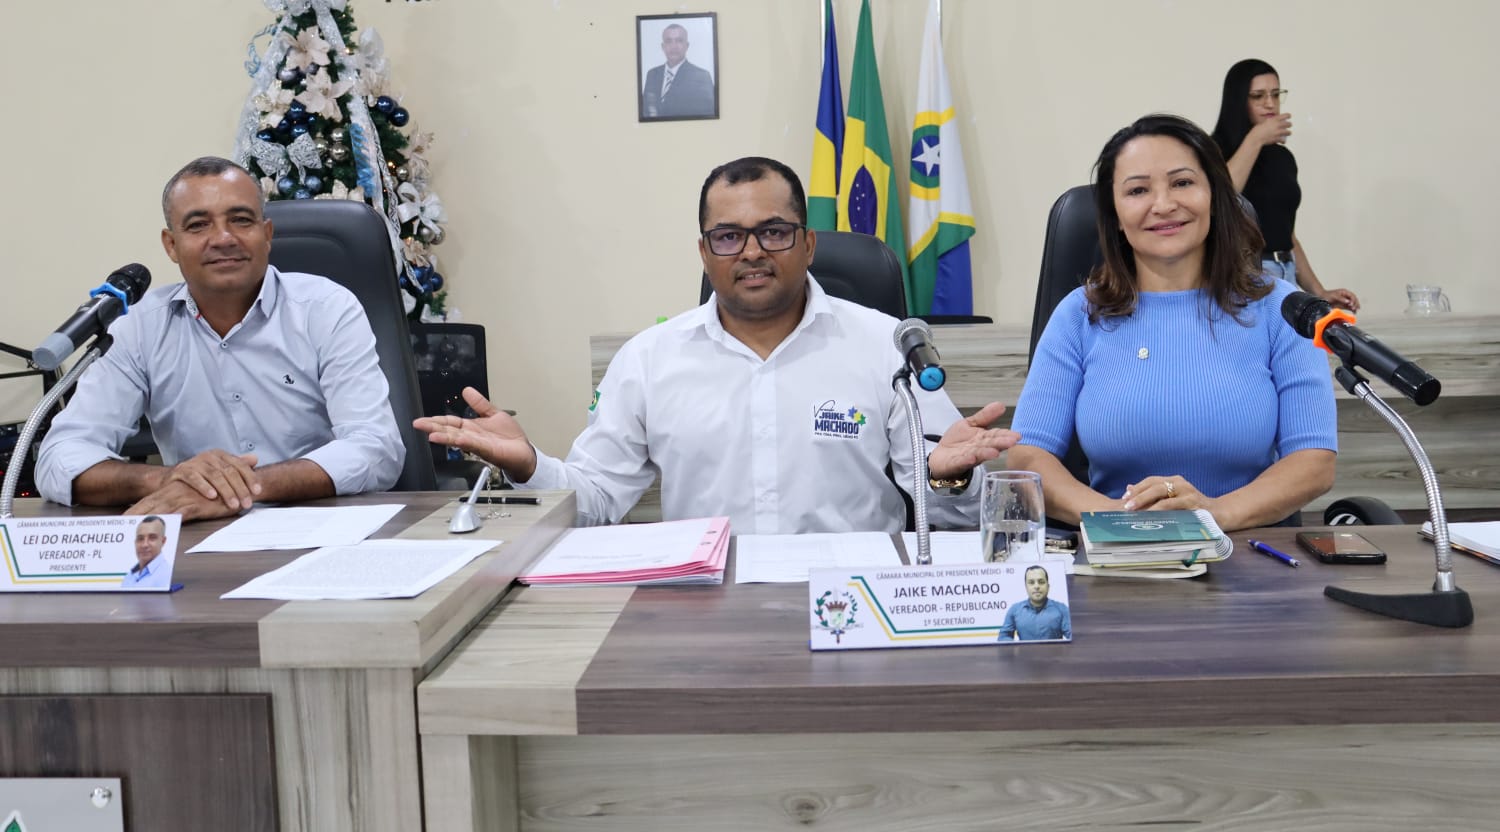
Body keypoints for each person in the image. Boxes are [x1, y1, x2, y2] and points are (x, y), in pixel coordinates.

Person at [416, 156, 1020, 534]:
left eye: (773, 231)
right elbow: (596, 503)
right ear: (705, 253)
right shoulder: (650, 360)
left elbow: (954, 514)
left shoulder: (885, 346)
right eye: (728, 236)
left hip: (851, 602)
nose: (752, 251)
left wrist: (951, 480)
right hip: (703, 609)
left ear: (808, 244)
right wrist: (530, 467)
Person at [1008, 114, 1337, 532]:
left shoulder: (1281, 309)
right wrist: (1118, 523)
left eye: (1182, 183)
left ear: (1214, 196)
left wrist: (1213, 515)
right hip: (1115, 549)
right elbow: (1027, 458)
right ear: (1114, 213)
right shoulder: (1079, 314)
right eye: (1138, 190)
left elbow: (1314, 462)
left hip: (1247, 548)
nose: (1163, 205)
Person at [36, 156, 404, 521]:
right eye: (198, 225)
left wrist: (243, 488)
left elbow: (376, 449)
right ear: (171, 245)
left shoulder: (325, 308)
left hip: (323, 526)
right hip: (198, 533)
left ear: (267, 234)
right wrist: (168, 479)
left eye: (241, 220)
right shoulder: (138, 326)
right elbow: (59, 458)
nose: (223, 238)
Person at [1211, 59, 1358, 311]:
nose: (1270, 103)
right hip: (1244, 274)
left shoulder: (1282, 158)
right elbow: (1222, 197)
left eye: (1276, 94)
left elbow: (1285, 233)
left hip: (1285, 270)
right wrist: (1256, 138)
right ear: (1238, 100)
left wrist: (1319, 291)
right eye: (1258, 96)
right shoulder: (1214, 151)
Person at [641, 23, 716, 118]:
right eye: (668, 41)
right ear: (663, 46)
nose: (674, 46)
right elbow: (645, 111)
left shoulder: (701, 76)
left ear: (687, 46)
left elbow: (707, 115)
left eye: (679, 41)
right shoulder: (652, 74)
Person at [997, 565, 1070, 641]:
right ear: (1026, 587)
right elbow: (1003, 637)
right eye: (1031, 582)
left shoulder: (1062, 609)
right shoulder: (1015, 610)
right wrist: (1017, 647)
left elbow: (1073, 636)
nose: (1037, 586)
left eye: (1041, 582)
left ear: (1048, 586)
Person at [121, 515, 172, 589]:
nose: (145, 545)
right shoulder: (128, 577)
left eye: (152, 538)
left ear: (163, 541)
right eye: (140, 538)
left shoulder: (167, 577)